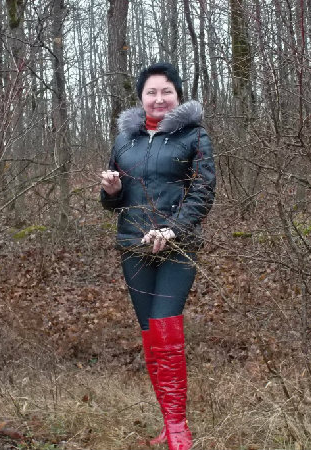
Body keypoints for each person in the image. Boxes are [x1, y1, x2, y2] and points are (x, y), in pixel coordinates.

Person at [100, 62, 216, 450]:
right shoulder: (124, 141)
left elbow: (203, 191)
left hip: (177, 246)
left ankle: (179, 429)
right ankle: (168, 422)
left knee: (166, 328)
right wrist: (112, 191)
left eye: (167, 91)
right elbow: (113, 202)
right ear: (141, 98)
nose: (159, 98)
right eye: (151, 92)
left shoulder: (194, 136)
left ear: (177, 96)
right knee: (151, 334)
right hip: (133, 246)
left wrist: (173, 229)